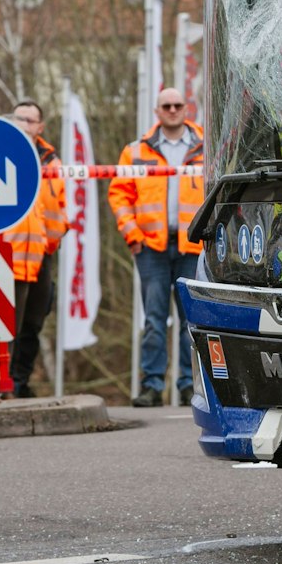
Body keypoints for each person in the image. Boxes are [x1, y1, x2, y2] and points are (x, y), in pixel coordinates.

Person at [108, 86, 205, 407]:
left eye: (178, 104)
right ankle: (151, 386)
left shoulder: (207, 145)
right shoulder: (136, 150)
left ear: (186, 108)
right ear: (157, 111)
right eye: (167, 105)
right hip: (150, 247)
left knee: (191, 320)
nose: (173, 110)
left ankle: (190, 385)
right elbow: (119, 194)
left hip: (192, 245)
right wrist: (132, 235)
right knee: (153, 319)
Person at [1, 99, 65, 398]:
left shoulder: (51, 160)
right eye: (18, 119)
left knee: (34, 322)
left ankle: (20, 380)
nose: (24, 125)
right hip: (7, 253)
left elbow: (59, 204)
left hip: (42, 252)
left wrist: (54, 240)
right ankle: (2, 383)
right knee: (5, 324)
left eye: (30, 120)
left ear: (40, 126)